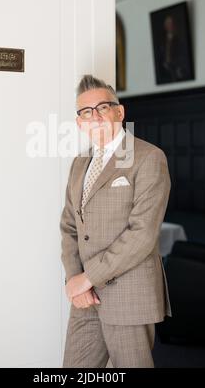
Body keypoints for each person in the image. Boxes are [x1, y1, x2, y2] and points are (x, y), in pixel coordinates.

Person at [60, 75, 172, 368]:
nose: (94, 117)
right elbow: (70, 226)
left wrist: (87, 278)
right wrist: (75, 279)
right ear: (79, 122)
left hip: (129, 296)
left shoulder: (148, 158)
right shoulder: (79, 163)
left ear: (119, 113)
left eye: (102, 108)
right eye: (86, 112)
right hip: (85, 299)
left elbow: (142, 235)